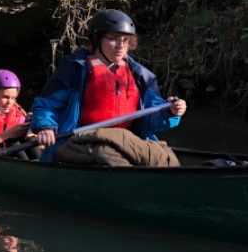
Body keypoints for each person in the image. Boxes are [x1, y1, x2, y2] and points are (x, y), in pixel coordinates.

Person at [30, 9, 188, 163]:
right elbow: (46, 105)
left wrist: (170, 112)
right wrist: (46, 126)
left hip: (127, 138)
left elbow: (151, 120)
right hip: (83, 139)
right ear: (97, 40)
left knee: (166, 159)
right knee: (112, 159)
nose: (121, 45)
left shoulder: (140, 76)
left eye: (126, 40)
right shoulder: (73, 69)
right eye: (113, 39)